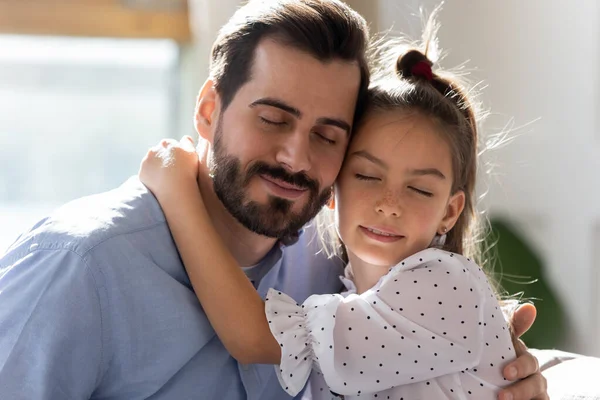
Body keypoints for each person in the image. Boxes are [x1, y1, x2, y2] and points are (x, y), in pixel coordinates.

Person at [0, 1, 546, 399]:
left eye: (328, 135)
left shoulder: (338, 258)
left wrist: (511, 378)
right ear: (209, 110)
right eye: (273, 119)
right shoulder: (77, 267)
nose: (295, 157)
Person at [139, 14, 523, 399]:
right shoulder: (344, 291)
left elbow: (252, 336)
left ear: (450, 211)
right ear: (334, 188)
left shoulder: (444, 284)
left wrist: (177, 192)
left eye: (419, 190)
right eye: (368, 177)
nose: (389, 205)